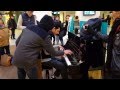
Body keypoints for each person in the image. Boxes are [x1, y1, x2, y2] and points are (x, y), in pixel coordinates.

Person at [12, 15, 72, 79]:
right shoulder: (45, 36)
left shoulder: (29, 27)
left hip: (17, 57)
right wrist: (64, 52)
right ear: (50, 26)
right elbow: (53, 52)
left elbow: (17, 42)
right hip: (28, 61)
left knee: (21, 76)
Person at [86, 11, 120, 79]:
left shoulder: (118, 28)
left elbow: (111, 41)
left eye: (112, 11)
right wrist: (93, 31)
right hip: (113, 66)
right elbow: (109, 39)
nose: (111, 14)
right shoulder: (116, 26)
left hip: (117, 69)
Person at [16, 11, 37, 79]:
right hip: (24, 35)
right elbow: (18, 26)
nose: (31, 12)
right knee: (17, 43)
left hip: (31, 36)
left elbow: (36, 26)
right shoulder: (21, 16)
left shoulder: (34, 16)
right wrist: (27, 27)